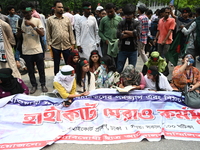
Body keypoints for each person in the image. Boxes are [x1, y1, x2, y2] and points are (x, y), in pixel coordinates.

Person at [17, 1, 48, 94]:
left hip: (37, 49)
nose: (26, 14)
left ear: (31, 11)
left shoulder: (37, 20)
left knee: (41, 69)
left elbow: (42, 34)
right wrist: (19, 32)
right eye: (24, 13)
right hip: (26, 50)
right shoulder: (20, 21)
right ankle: (34, 85)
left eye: (28, 12)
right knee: (30, 70)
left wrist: (32, 25)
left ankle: (43, 84)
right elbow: (17, 36)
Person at [46, 0, 75, 75]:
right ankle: (57, 80)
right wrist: (50, 44)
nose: (61, 9)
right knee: (56, 64)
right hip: (55, 46)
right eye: (59, 7)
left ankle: (69, 79)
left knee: (68, 64)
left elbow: (70, 32)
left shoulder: (66, 19)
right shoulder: (50, 20)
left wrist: (73, 44)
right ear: (54, 8)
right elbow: (48, 33)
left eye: (62, 7)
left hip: (67, 45)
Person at [116, 4, 140, 73]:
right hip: (122, 49)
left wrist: (125, 32)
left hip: (133, 50)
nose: (128, 17)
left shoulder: (137, 23)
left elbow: (137, 34)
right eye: (126, 15)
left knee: (131, 70)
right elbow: (118, 35)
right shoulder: (121, 23)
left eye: (129, 15)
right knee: (119, 68)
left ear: (133, 14)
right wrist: (132, 33)